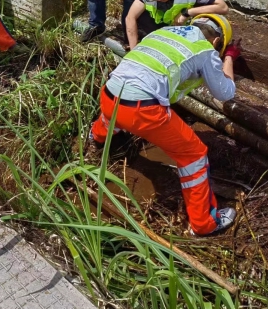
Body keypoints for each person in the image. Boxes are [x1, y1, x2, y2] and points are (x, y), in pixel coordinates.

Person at [89, 14, 242, 236]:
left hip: (109, 93)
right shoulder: (205, 49)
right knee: (195, 155)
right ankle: (204, 223)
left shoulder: (163, 32)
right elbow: (225, 92)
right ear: (217, 41)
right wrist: (228, 58)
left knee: (112, 116)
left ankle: (96, 137)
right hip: (142, 110)